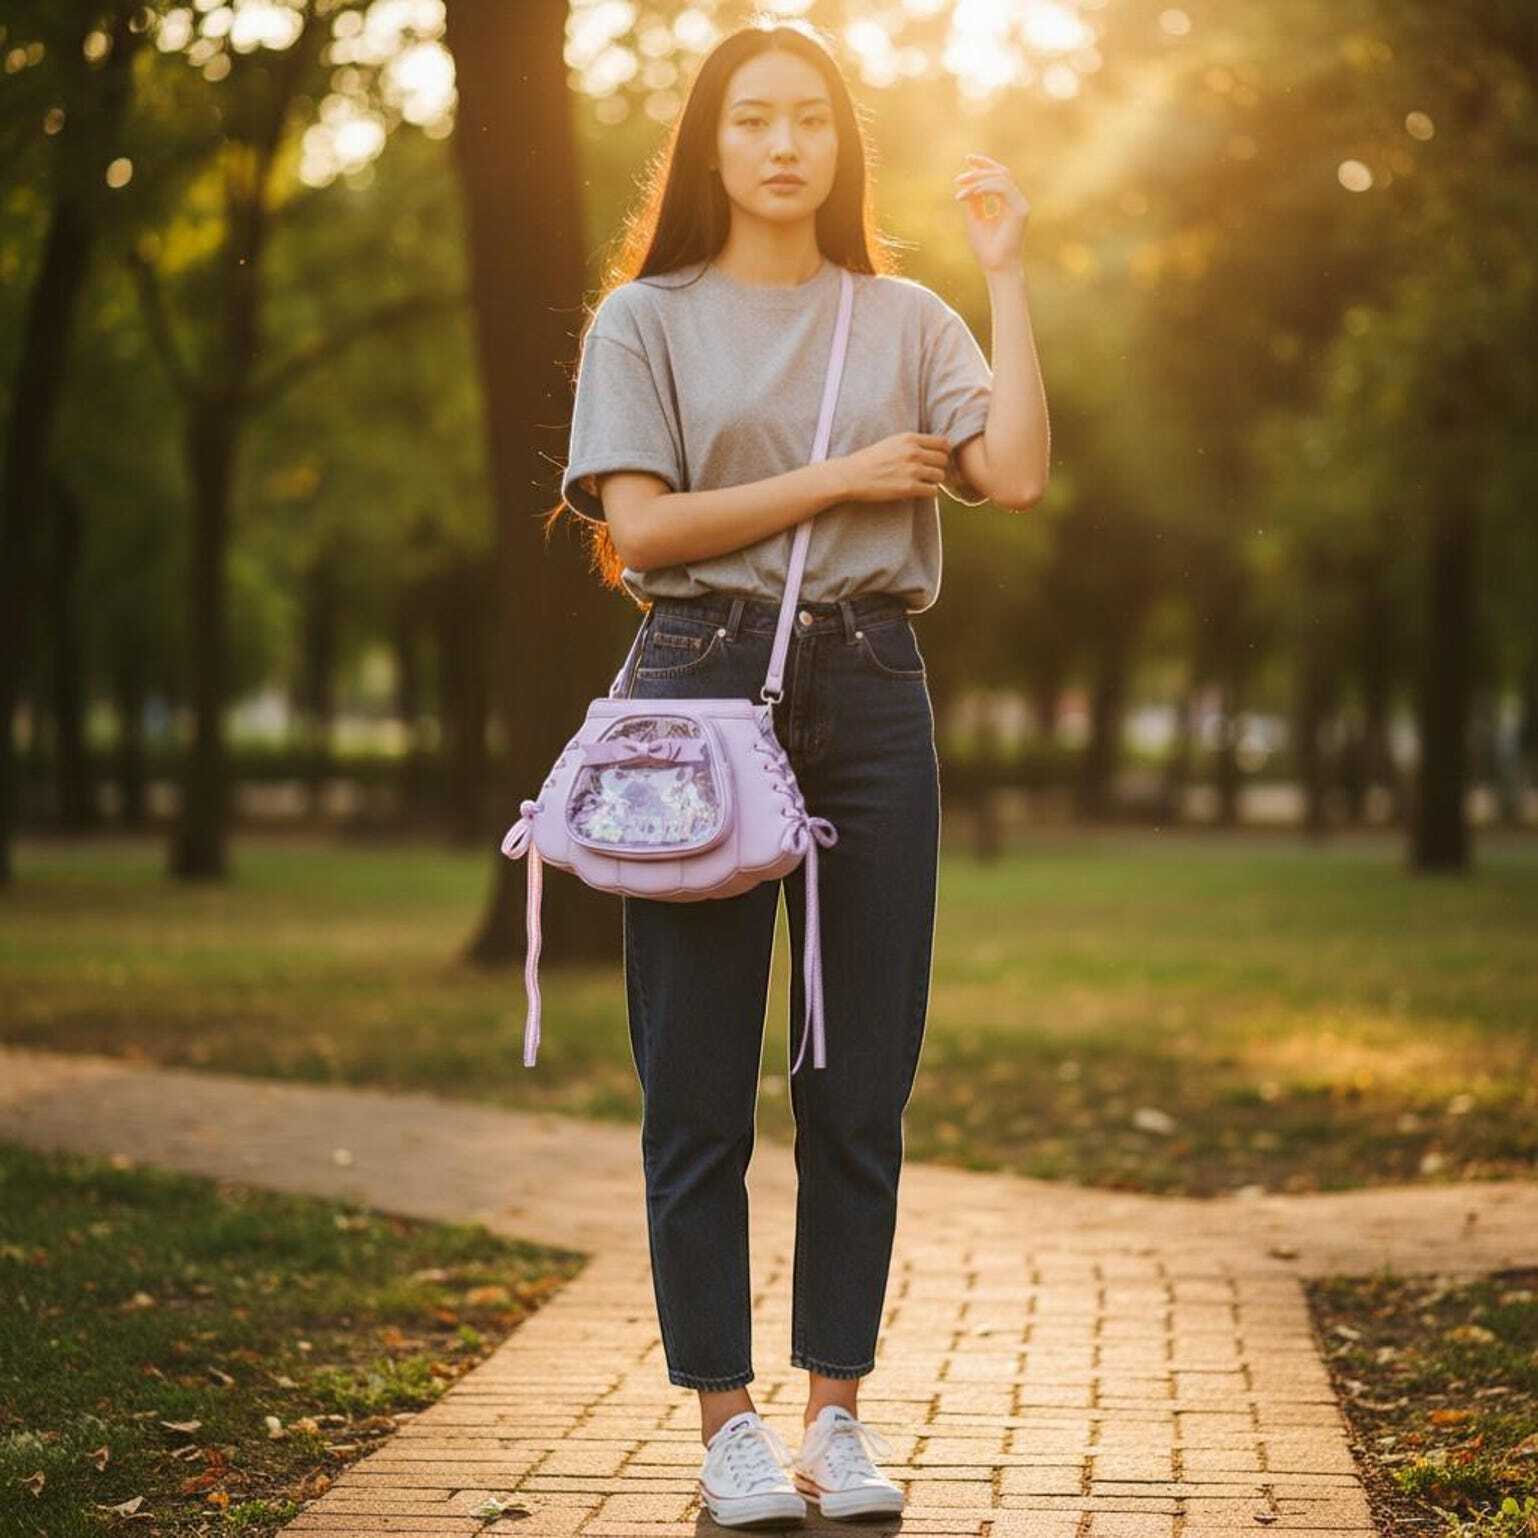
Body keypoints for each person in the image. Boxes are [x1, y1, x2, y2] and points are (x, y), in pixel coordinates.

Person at [551, 17, 1048, 1529]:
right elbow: (640, 532)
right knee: (692, 1081)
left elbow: (1012, 473)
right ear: (710, 145)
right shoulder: (643, 320)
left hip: (872, 694)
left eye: (811, 123)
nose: (783, 145)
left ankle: (836, 1414)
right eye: (754, 119)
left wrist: (1006, 270)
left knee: (857, 1074)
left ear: (841, 149)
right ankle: (726, 1423)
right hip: (696, 693)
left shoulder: (902, 316)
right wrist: (839, 477)